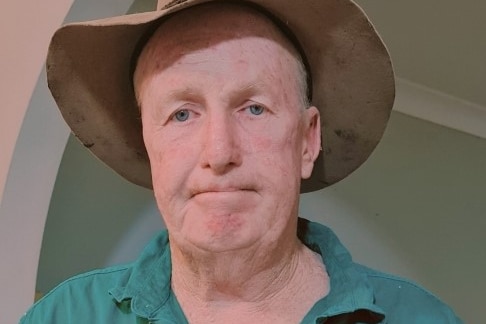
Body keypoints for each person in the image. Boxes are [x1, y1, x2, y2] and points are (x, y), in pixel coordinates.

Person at [21, 0, 461, 323]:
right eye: (181, 113)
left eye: (254, 108)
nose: (219, 153)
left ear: (308, 141)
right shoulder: (63, 316)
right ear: (148, 146)